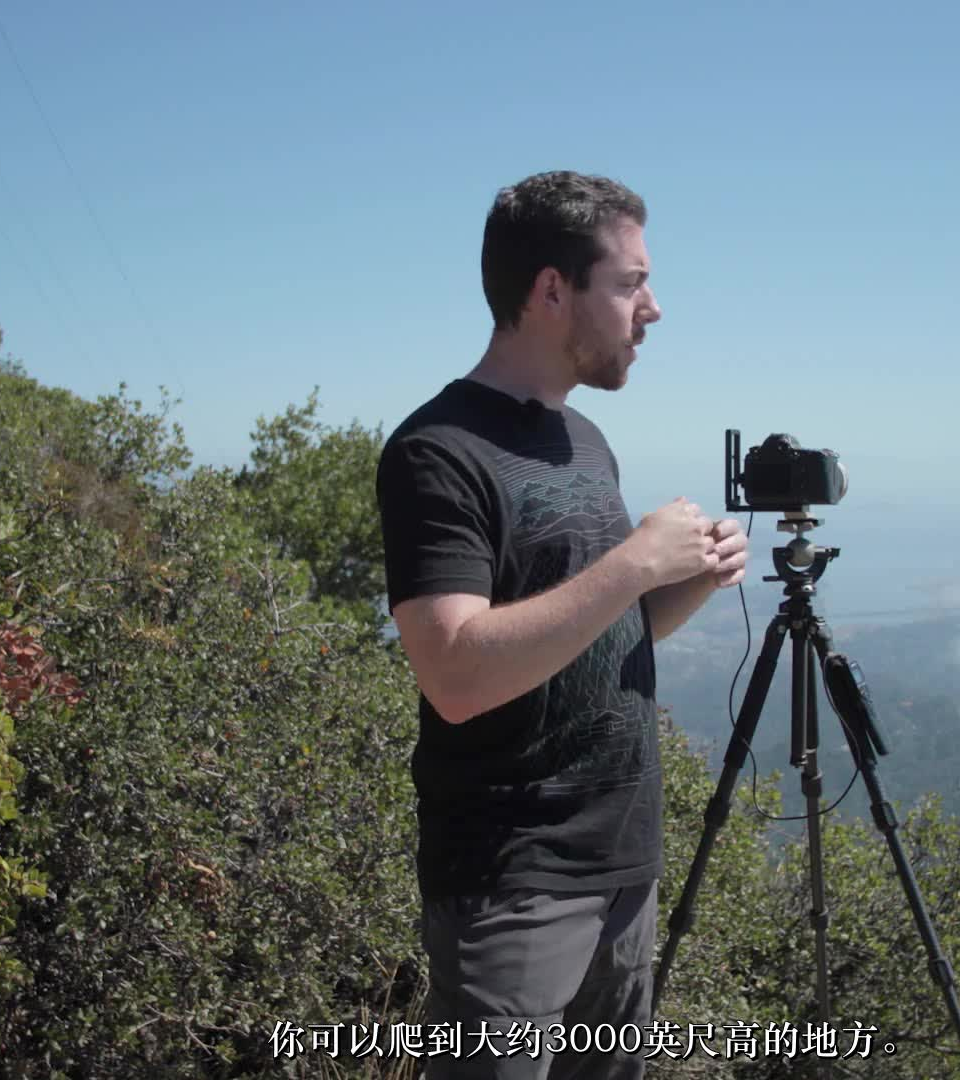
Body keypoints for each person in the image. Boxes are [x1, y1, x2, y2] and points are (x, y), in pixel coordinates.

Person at [375, 170, 748, 1078]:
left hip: (624, 866)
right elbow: (457, 676)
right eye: (629, 283)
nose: (653, 308)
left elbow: (587, 639)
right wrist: (633, 563)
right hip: (514, 883)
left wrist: (684, 580)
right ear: (552, 290)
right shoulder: (438, 453)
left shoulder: (584, 439)